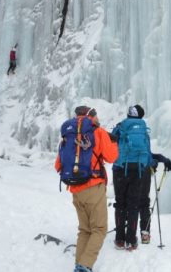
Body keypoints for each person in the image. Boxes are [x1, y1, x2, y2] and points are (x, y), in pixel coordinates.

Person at [55, 106, 118, 272]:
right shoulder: (98, 131)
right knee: (99, 229)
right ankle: (85, 265)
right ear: (92, 116)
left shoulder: (68, 134)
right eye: (96, 116)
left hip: (75, 189)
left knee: (84, 229)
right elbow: (112, 157)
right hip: (93, 187)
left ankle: (79, 265)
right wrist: (114, 141)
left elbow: (58, 165)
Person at [111, 104, 153, 251]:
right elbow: (147, 151)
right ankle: (131, 240)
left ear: (129, 115)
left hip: (120, 169)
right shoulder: (143, 129)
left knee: (120, 203)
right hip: (138, 171)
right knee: (134, 205)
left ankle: (119, 240)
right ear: (141, 116)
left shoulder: (120, 126)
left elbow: (111, 145)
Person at [138, 152, 171, 244]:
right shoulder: (143, 143)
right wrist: (164, 160)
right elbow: (151, 155)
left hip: (127, 172)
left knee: (129, 202)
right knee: (144, 203)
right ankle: (145, 234)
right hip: (144, 172)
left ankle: (124, 234)